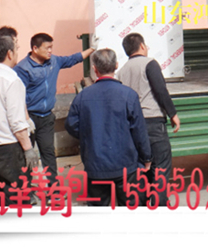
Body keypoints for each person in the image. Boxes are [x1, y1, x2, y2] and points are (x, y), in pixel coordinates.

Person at [65, 49, 152, 206]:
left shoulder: (83, 96)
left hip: (95, 164)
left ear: (95, 69)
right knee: (131, 210)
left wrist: (91, 134)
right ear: (116, 65)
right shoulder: (129, 95)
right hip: (125, 164)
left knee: (99, 213)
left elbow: (71, 125)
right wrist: (146, 158)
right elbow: (139, 131)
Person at [14, 33, 95, 186]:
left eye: (51, 47)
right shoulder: (23, 68)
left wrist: (91, 49)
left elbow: (72, 59)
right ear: (35, 49)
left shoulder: (54, 61)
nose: (50, 51)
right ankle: (26, 189)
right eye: (47, 48)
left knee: (48, 153)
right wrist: (26, 119)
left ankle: (54, 189)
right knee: (26, 155)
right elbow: (18, 96)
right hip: (29, 117)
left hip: (46, 117)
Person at [117, 33, 180, 206]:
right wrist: (173, 114)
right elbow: (160, 90)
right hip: (153, 122)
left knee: (141, 170)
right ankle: (159, 207)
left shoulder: (121, 71)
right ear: (142, 46)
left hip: (133, 126)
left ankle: (142, 207)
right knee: (160, 168)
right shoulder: (149, 64)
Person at [0, 35, 39, 206]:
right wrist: (28, 149)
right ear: (9, 54)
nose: (17, 53)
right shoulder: (11, 80)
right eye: (16, 49)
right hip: (8, 148)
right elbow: (16, 122)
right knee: (17, 196)